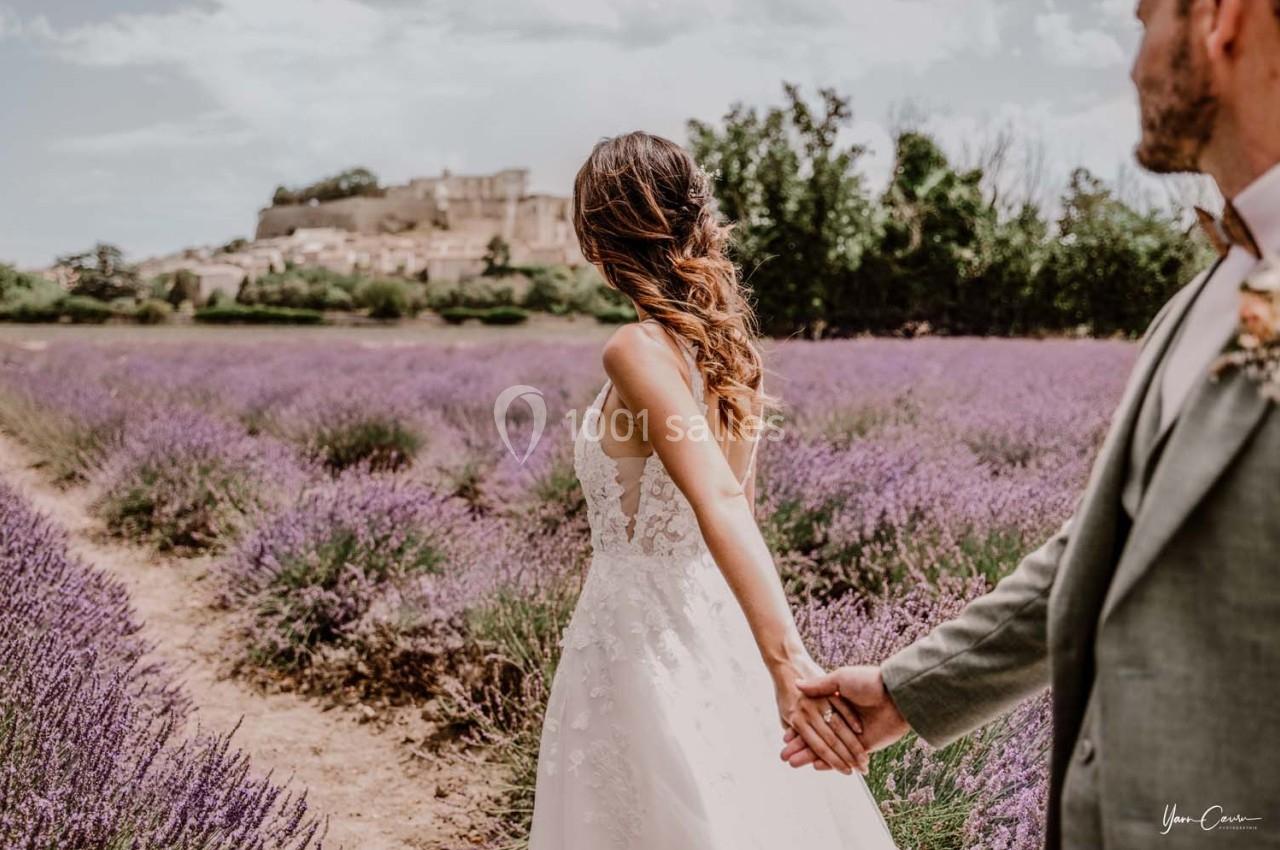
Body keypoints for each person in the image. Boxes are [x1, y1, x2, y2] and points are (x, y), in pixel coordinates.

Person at [783, 2, 1280, 848]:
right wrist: (907, 691)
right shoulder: (1203, 298)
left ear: (1220, 20)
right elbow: (1104, 549)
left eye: (1147, 18)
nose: (1131, 66)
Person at [528, 131, 895, 850]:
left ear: (597, 238)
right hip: (715, 623)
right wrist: (769, 657)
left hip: (639, 641)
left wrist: (789, 666)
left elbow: (723, 503)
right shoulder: (734, 355)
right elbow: (743, 517)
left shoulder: (634, 350)